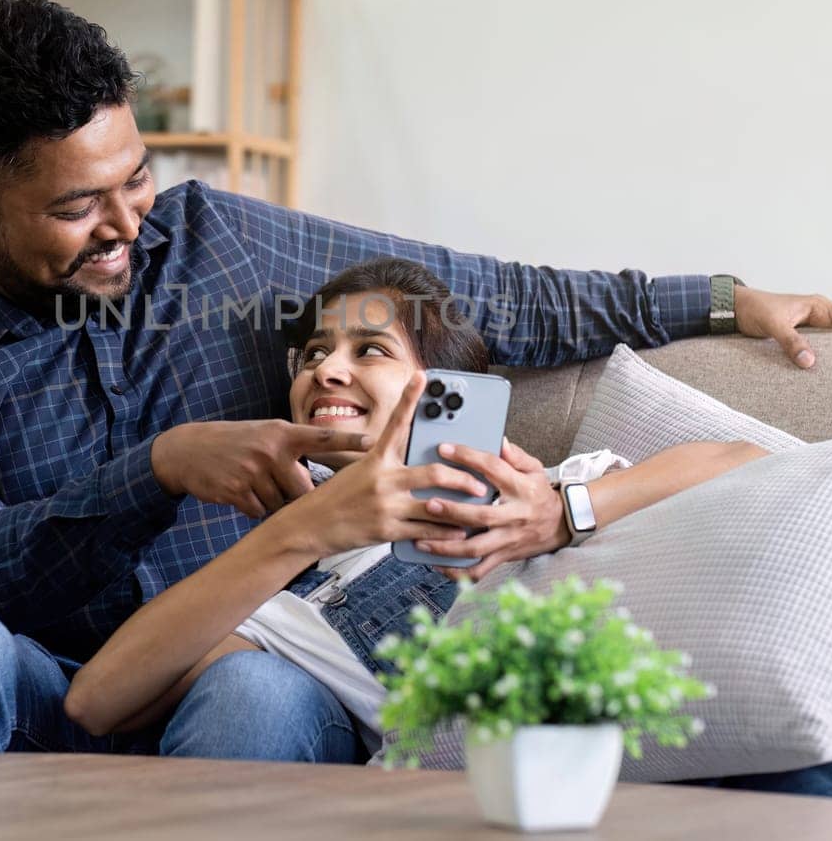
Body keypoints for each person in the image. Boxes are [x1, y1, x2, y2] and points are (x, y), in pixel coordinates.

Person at [0, 0, 832, 763]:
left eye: (137, 177)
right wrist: (157, 468)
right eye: (79, 207)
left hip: (259, 677)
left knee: (255, 686)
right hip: (58, 694)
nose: (128, 226)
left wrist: (724, 300)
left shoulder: (227, 251)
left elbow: (491, 296)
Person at [62, 257, 770, 755]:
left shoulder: (548, 485)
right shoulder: (284, 580)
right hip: (320, 745)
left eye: (368, 349)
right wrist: (301, 530)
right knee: (250, 687)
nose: (326, 369)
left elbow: (747, 464)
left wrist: (564, 511)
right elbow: (97, 701)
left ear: (444, 392)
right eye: (312, 354)